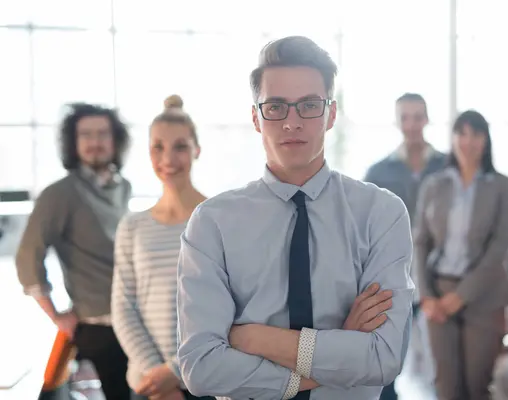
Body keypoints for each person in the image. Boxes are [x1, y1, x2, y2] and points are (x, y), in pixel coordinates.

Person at [176, 36, 415, 400]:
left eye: (308, 105)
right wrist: (337, 351)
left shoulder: (381, 213)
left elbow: (383, 358)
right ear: (256, 117)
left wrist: (254, 338)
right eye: (275, 107)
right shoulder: (212, 222)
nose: (292, 122)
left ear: (331, 113)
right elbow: (202, 368)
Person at [15, 103, 132, 399]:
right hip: (99, 327)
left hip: (135, 318)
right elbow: (28, 257)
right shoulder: (60, 194)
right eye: (86, 135)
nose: (95, 142)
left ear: (115, 140)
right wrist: (56, 315)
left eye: (102, 134)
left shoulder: (122, 187)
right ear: (73, 142)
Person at [111, 95, 214, 400]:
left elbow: (235, 309)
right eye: (158, 147)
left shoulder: (220, 220)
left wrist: (177, 372)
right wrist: (158, 377)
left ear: (197, 150)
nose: (168, 159)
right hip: (149, 386)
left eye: (180, 146)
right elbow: (123, 308)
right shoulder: (132, 226)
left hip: (208, 381)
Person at [413, 110, 508, 400]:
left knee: (476, 386)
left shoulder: (503, 186)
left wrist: (462, 296)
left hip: (483, 295)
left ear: (486, 140)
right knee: (445, 387)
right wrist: (426, 295)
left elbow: (499, 249)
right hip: (438, 293)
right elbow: (420, 242)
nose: (467, 141)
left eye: (476, 134)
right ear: (453, 137)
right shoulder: (434, 185)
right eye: (461, 133)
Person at [364, 93, 445, 399]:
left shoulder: (446, 167)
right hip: (394, 276)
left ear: (426, 119)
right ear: (398, 122)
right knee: (389, 354)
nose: (412, 124)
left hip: (438, 276)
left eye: (418, 116)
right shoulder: (379, 172)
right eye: (405, 117)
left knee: (441, 363)